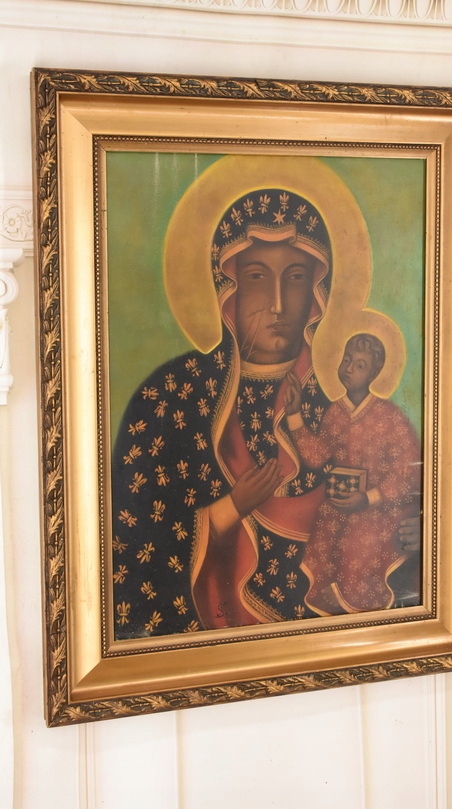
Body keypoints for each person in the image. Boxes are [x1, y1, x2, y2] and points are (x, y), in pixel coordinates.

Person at [111, 188, 337, 637]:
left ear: (317, 293)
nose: (277, 303)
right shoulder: (171, 395)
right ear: (228, 288)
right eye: (256, 277)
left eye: (295, 277)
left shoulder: (327, 411)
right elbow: (130, 537)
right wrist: (228, 510)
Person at [284, 333, 421, 615]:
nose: (349, 368)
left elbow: (406, 472)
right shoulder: (335, 412)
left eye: (360, 365)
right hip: (341, 504)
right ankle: (333, 596)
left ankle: (354, 602)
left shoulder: (391, 416)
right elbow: (317, 456)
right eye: (347, 360)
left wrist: (369, 498)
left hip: (379, 508)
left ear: (374, 373)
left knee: (359, 542)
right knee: (325, 527)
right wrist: (294, 414)